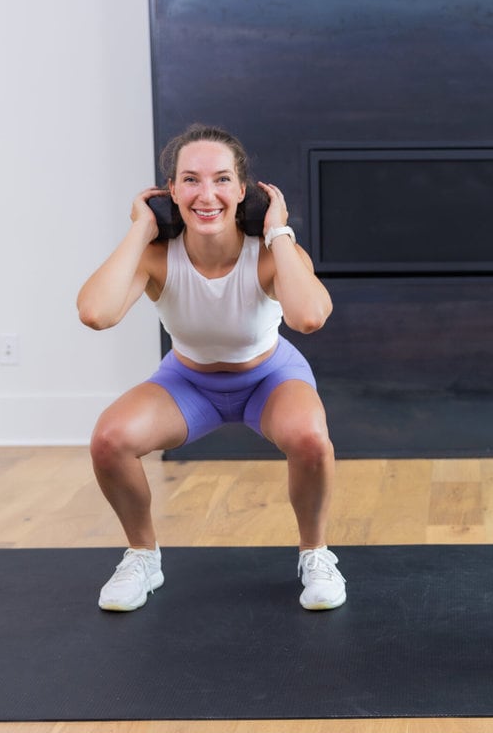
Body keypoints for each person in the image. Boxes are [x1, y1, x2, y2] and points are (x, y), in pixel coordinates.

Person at [77, 123, 346, 613]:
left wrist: (278, 229)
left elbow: (309, 317)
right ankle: (142, 557)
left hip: (269, 378)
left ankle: (315, 554)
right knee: (109, 440)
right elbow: (97, 313)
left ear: (244, 192)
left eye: (222, 179)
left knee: (310, 438)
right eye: (191, 180)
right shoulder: (157, 258)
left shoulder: (268, 254)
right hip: (188, 384)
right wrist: (140, 228)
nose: (207, 194)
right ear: (170, 193)